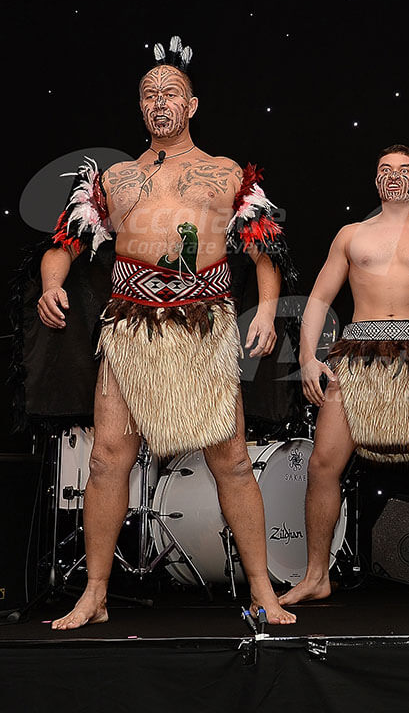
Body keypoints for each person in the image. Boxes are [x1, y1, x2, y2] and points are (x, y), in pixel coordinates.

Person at [36, 37, 296, 628]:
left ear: (192, 104)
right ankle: (96, 593)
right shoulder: (114, 177)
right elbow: (63, 245)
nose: (160, 102)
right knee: (106, 460)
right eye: (149, 94)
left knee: (230, 459)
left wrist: (266, 308)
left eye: (170, 92)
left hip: (202, 328)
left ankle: (262, 591)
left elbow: (265, 249)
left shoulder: (226, 172)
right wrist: (54, 284)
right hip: (130, 329)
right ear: (140, 107)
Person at [280, 144, 409, 605]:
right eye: (384, 169)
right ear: (376, 182)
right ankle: (317, 575)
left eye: (405, 170)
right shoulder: (351, 235)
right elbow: (318, 299)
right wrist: (308, 358)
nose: (394, 176)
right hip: (358, 358)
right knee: (322, 464)